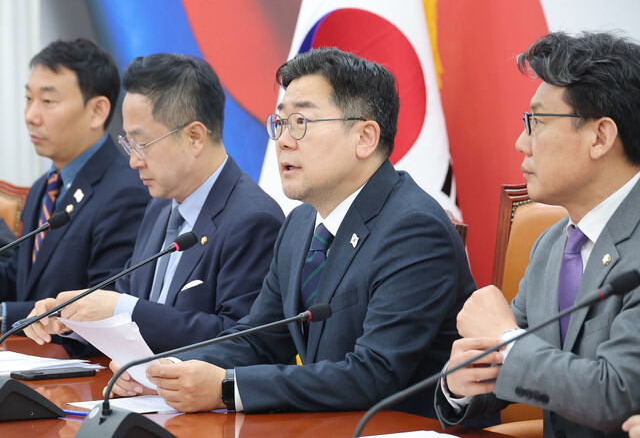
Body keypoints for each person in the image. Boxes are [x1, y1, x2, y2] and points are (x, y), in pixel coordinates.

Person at [106, 47, 475, 418]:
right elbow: (258, 340)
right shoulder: (300, 223)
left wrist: (226, 388)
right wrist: (165, 371)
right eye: (280, 123)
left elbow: (373, 373)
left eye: (301, 121)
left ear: (365, 137)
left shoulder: (414, 229)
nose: (282, 140)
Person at [434, 32, 640, 437]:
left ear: (600, 137)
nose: (521, 143)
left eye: (537, 122)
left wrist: (505, 337)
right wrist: (459, 386)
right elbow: (524, 367)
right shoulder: (552, 244)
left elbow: (618, 394)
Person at [23, 54, 284, 354]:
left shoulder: (253, 220)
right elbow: (126, 296)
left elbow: (240, 340)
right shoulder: (159, 207)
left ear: (195, 137)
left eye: (141, 144)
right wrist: (73, 319)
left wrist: (126, 310)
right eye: (128, 144)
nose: (133, 161)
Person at [0, 38, 150, 333]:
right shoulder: (44, 187)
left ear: (97, 111)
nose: (31, 116)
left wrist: (5, 314)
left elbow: (103, 306)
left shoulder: (126, 193)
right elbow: (19, 279)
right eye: (28, 99)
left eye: (48, 101)